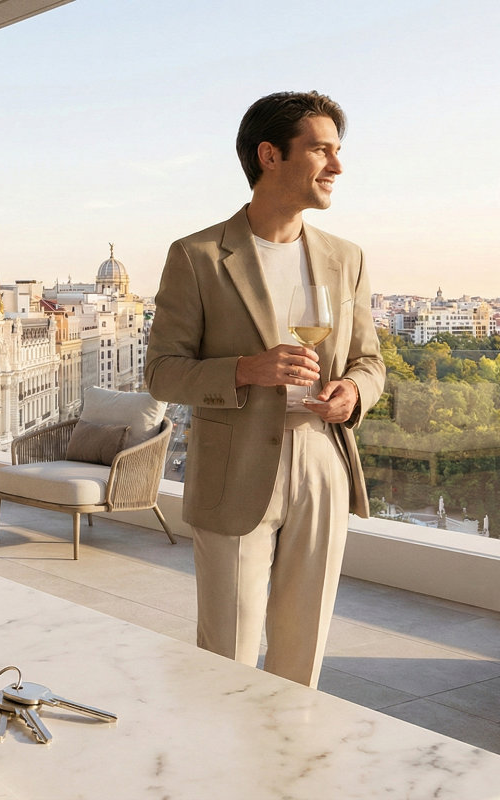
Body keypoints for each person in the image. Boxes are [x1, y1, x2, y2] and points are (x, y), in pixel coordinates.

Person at [145, 91, 386, 688]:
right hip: (235, 463)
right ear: (270, 155)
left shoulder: (345, 258)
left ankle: (286, 772)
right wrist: (246, 370)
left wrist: (353, 393)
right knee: (227, 653)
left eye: (338, 151)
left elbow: (370, 362)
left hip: (322, 457)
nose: (337, 166)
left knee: (303, 650)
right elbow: (163, 372)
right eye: (322, 150)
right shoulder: (198, 256)